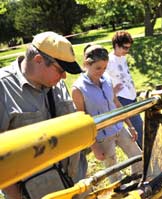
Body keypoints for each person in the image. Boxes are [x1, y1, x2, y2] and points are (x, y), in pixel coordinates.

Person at [0, 31, 87, 199]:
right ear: (38, 60)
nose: (64, 76)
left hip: (77, 183)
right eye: (61, 69)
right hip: (37, 193)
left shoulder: (56, 82)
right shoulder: (3, 88)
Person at [72, 44, 142, 183]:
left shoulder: (107, 79)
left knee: (137, 156)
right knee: (113, 170)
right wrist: (95, 147)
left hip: (118, 128)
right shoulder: (78, 89)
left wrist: (130, 125)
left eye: (104, 68)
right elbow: (82, 122)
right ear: (86, 64)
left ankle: (138, 183)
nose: (102, 71)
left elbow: (116, 103)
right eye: (98, 68)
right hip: (102, 136)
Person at [106, 31, 144, 148]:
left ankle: (141, 152)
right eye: (125, 47)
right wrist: (112, 91)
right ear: (116, 45)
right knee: (137, 126)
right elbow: (102, 79)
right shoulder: (109, 60)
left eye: (129, 48)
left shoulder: (122, 57)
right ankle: (142, 154)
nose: (127, 51)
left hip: (131, 95)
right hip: (122, 98)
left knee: (138, 126)